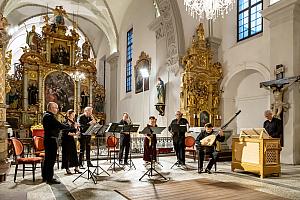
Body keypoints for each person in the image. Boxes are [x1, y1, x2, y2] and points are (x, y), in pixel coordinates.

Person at [42, 102, 70, 184]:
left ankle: (45, 176)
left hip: (49, 139)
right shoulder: (49, 116)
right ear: (51, 108)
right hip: (51, 140)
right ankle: (49, 178)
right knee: (51, 160)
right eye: (56, 108)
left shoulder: (47, 115)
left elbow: (56, 126)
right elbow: (59, 125)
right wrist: (70, 126)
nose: (57, 110)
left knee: (47, 159)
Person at [61, 109, 81, 175]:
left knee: (74, 154)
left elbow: (76, 131)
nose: (73, 116)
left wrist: (77, 130)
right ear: (68, 115)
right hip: (65, 140)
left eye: (74, 115)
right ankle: (67, 168)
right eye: (72, 115)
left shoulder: (73, 122)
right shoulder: (65, 123)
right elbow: (67, 133)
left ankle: (76, 168)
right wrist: (75, 130)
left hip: (71, 140)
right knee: (66, 155)